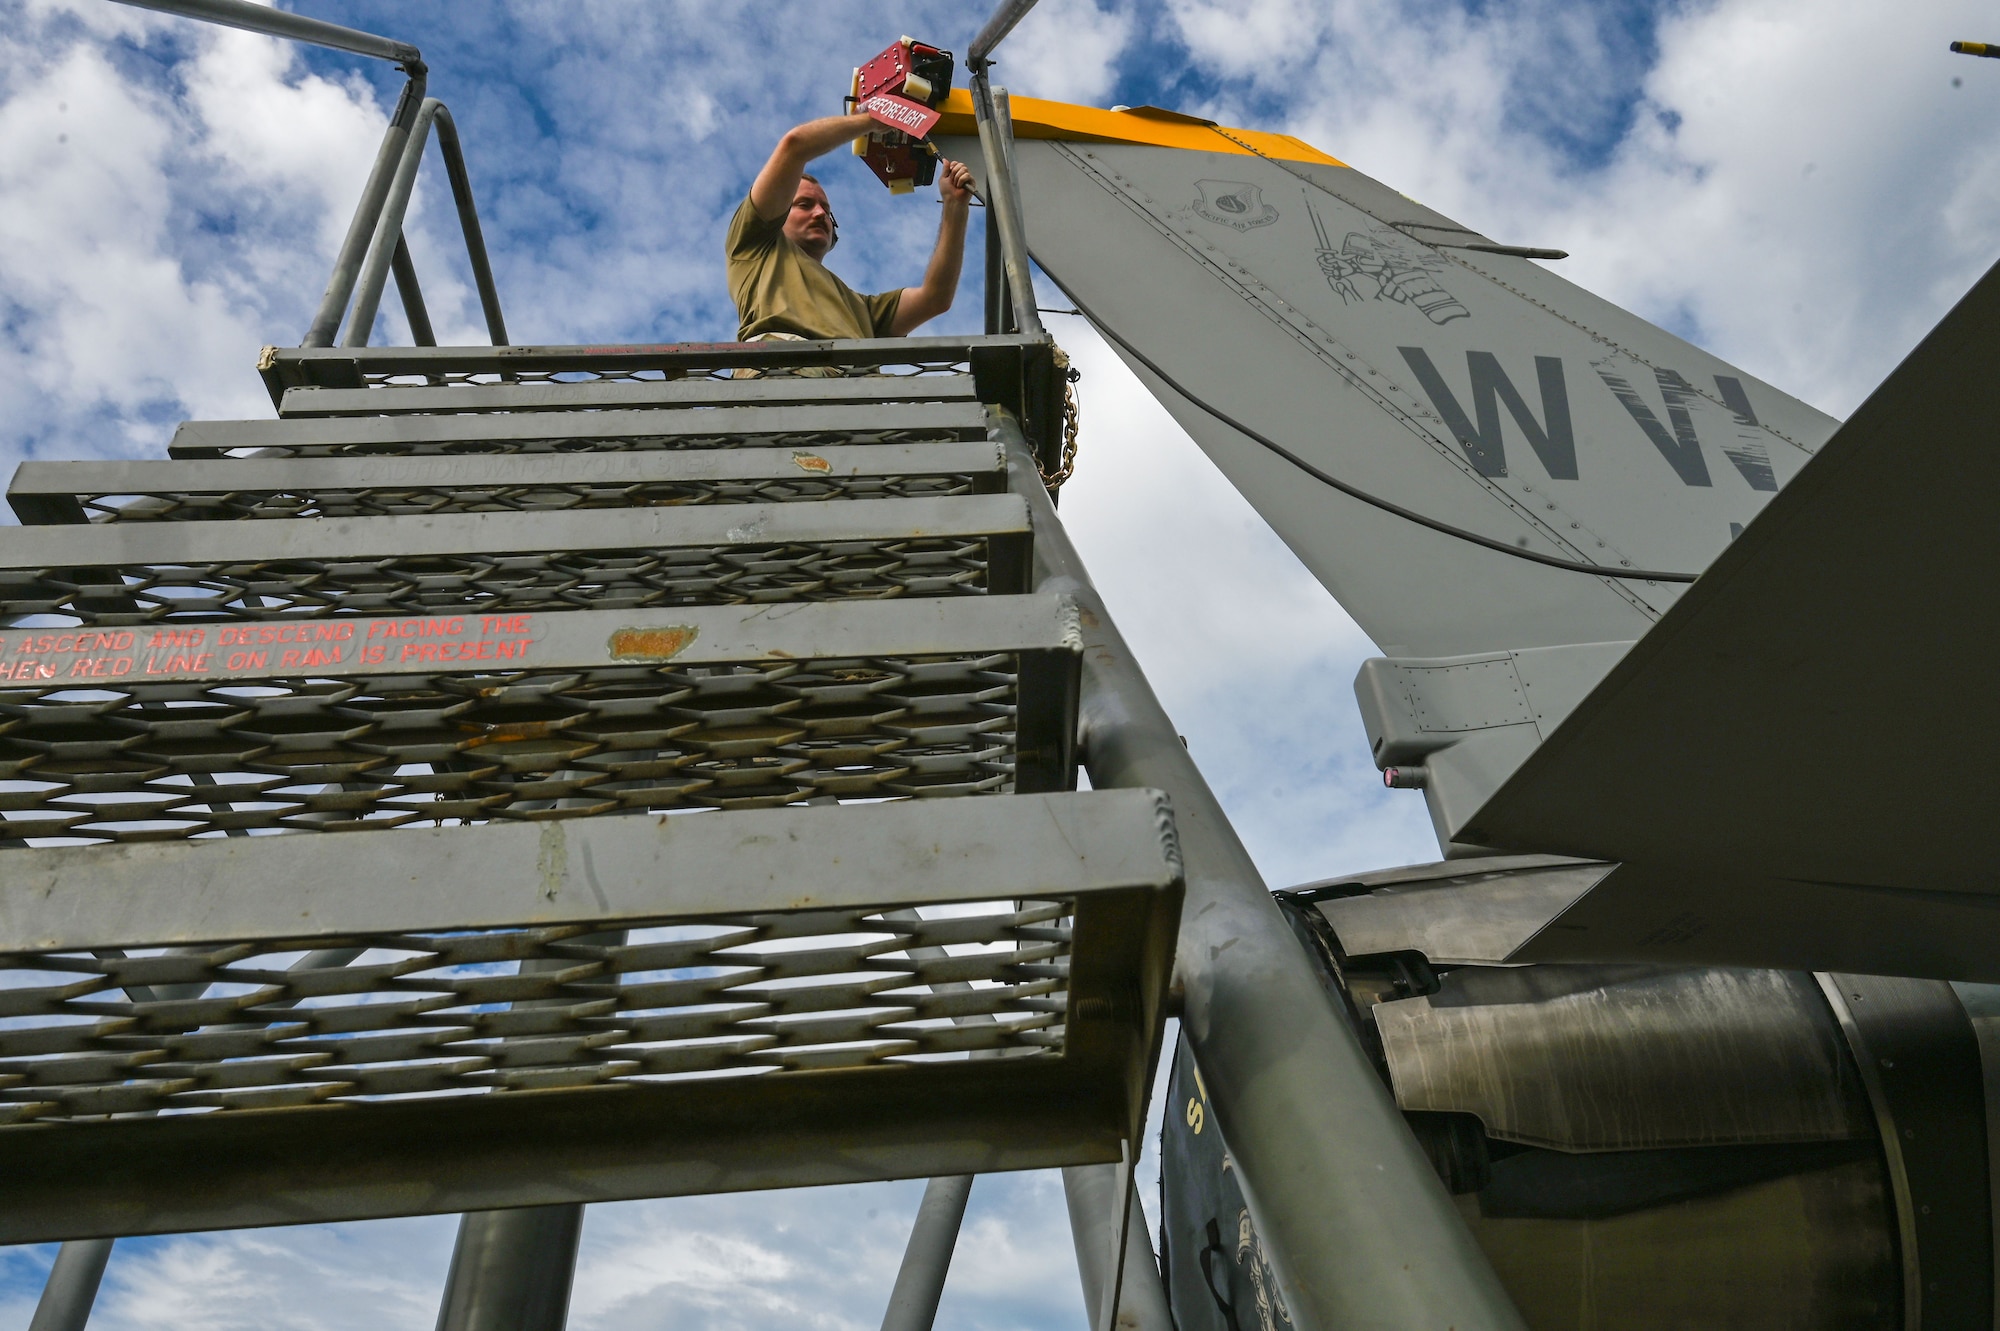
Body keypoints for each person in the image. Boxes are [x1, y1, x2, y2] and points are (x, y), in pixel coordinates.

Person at [726, 111, 974, 344]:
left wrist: (955, 205)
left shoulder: (861, 310)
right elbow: (795, 146)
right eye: (804, 204)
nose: (820, 213)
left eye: (826, 209)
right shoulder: (754, 245)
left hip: (852, 387)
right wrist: (874, 120)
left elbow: (935, 298)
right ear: (778, 213)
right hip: (783, 376)